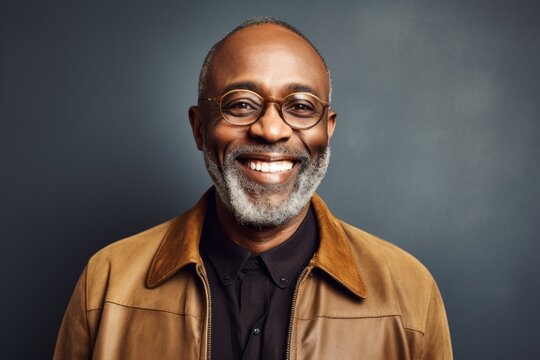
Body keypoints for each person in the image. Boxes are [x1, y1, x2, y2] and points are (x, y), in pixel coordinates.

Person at [54, 17, 452, 360]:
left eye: (300, 106)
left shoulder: (409, 293)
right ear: (199, 127)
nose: (272, 130)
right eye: (241, 104)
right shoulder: (106, 283)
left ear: (327, 131)